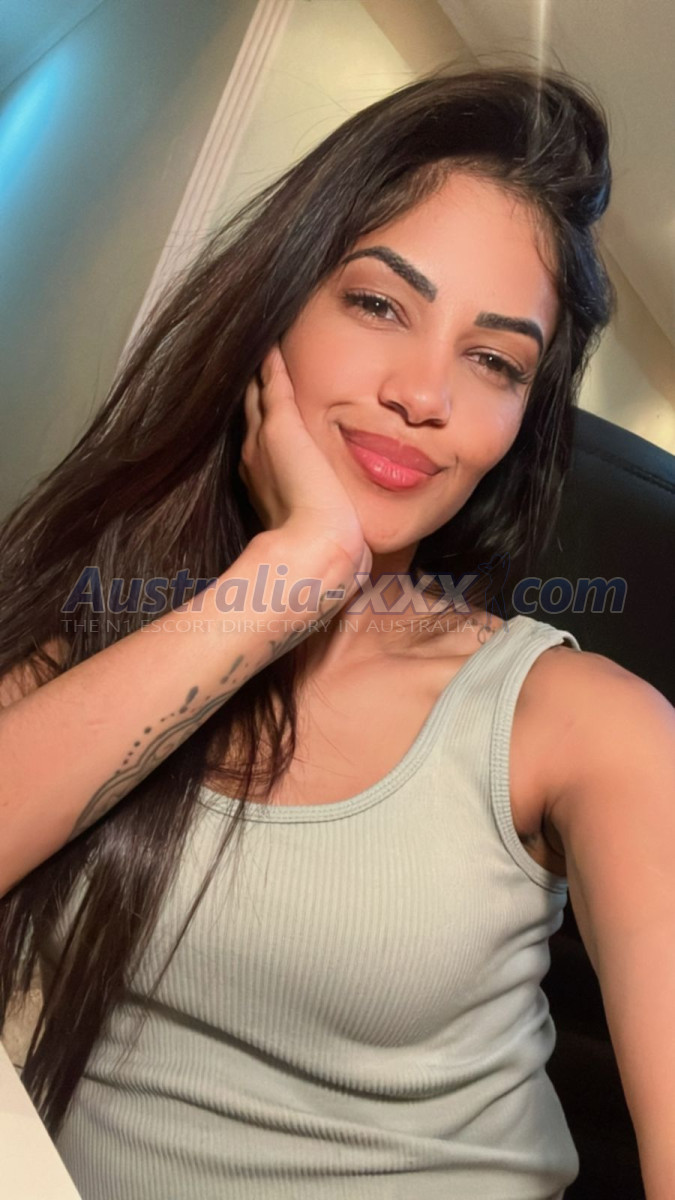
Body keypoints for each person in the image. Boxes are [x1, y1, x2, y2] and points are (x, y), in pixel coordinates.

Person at [0, 63, 673, 1200]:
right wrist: (287, 579)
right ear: (277, 308)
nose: (425, 394)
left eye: (494, 360)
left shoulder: (586, 726)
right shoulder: (110, 627)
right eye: (379, 304)